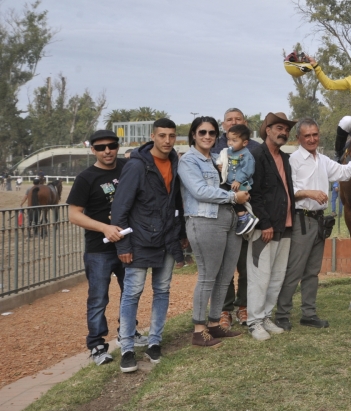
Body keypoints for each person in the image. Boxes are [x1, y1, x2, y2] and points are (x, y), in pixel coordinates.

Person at [111, 118, 187, 372]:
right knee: (132, 292)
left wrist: (181, 233)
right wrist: (123, 246)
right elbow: (120, 208)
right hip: (140, 240)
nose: (167, 140)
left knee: (162, 290)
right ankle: (127, 348)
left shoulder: (175, 162)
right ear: (152, 136)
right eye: (162, 135)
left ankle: (155, 341)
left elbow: (177, 202)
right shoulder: (136, 166)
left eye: (172, 136)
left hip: (167, 237)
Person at [67, 130, 147, 366]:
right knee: (98, 298)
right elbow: (73, 214)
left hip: (128, 243)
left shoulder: (129, 167)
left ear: (118, 146)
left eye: (112, 146)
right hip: (98, 249)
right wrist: (104, 227)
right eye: (101, 147)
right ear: (93, 150)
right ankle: (97, 345)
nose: (107, 151)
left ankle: (128, 334)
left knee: (130, 293)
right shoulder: (86, 178)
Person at [275, 119, 351, 331]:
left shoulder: (322, 160)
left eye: (315, 135)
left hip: (318, 220)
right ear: (299, 138)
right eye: (307, 136)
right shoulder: (293, 160)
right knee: (294, 270)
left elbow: (344, 172)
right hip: (301, 219)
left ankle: (308, 313)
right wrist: (309, 192)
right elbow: (286, 191)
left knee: (313, 271)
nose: (312, 139)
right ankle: (282, 314)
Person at [179, 116, 248, 347]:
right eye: (202, 133)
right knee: (208, 276)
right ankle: (199, 331)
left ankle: (214, 324)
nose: (207, 136)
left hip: (228, 221)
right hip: (205, 221)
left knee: (226, 275)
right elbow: (199, 191)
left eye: (211, 133)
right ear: (194, 135)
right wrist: (232, 196)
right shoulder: (189, 160)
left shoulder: (217, 159)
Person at [247, 112, 296, 340]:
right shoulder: (256, 155)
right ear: (267, 130)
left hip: (284, 225)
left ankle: (266, 316)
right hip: (264, 228)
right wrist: (264, 223)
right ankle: (254, 321)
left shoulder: (285, 158)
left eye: (286, 129)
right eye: (278, 127)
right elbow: (254, 194)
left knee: (276, 276)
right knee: (260, 276)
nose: (283, 132)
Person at [211, 108, 259, 331]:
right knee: (224, 267)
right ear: (223, 125)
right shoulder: (213, 147)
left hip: (246, 211)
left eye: (237, 119)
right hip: (220, 215)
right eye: (229, 120)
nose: (233, 123)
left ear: (245, 124)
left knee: (245, 265)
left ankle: (244, 306)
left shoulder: (254, 148)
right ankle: (224, 309)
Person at [219, 124, 258, 235]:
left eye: (234, 140)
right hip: (231, 182)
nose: (230, 143)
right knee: (231, 197)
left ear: (244, 143)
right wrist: (220, 165)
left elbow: (248, 170)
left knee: (233, 197)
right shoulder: (230, 152)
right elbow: (225, 160)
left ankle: (244, 217)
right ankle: (244, 216)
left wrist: (239, 180)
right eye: (229, 140)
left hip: (243, 183)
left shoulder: (247, 155)